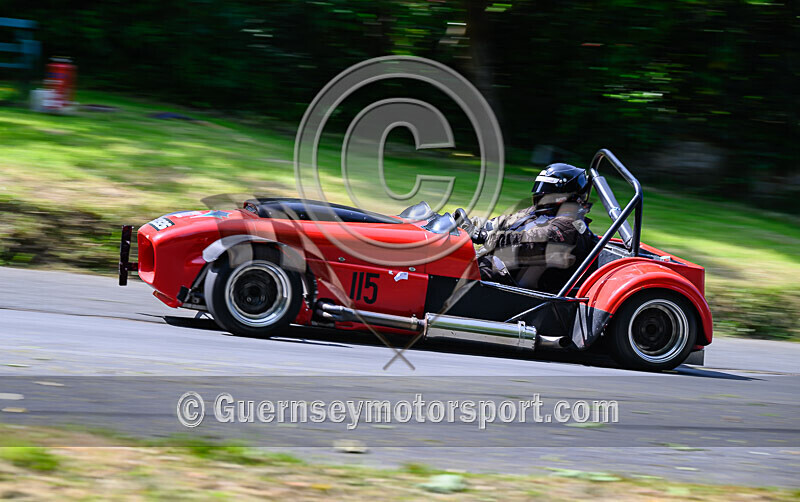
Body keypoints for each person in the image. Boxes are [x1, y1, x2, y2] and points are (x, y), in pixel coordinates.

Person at [463, 163, 597, 293]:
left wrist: (486, 237)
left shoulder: (569, 227)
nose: (541, 196)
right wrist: (470, 224)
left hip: (516, 289)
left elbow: (531, 241)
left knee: (461, 273)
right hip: (499, 269)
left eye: (547, 193)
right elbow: (502, 222)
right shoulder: (540, 212)